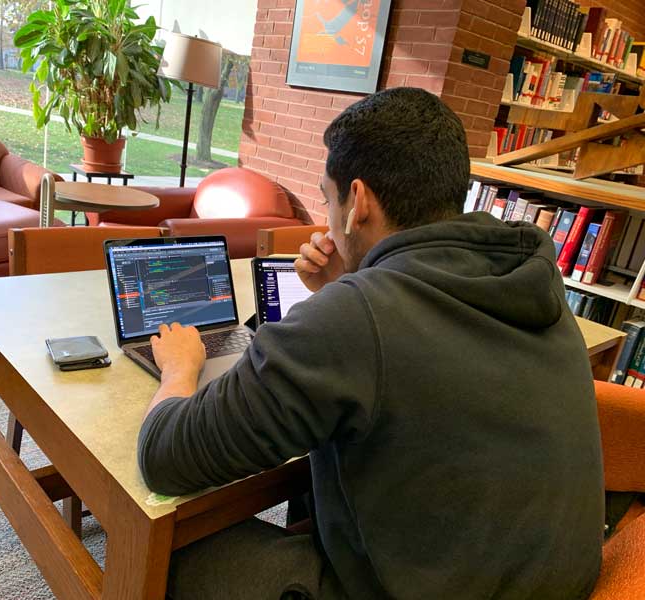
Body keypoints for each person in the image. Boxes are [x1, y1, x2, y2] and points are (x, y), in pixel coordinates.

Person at [138, 87, 604, 599]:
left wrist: (180, 370)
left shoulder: (355, 317)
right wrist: (354, 283)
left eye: (326, 198)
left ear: (356, 203)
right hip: (551, 583)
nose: (327, 215)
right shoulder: (531, 278)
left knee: (162, 544)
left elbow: (165, 456)